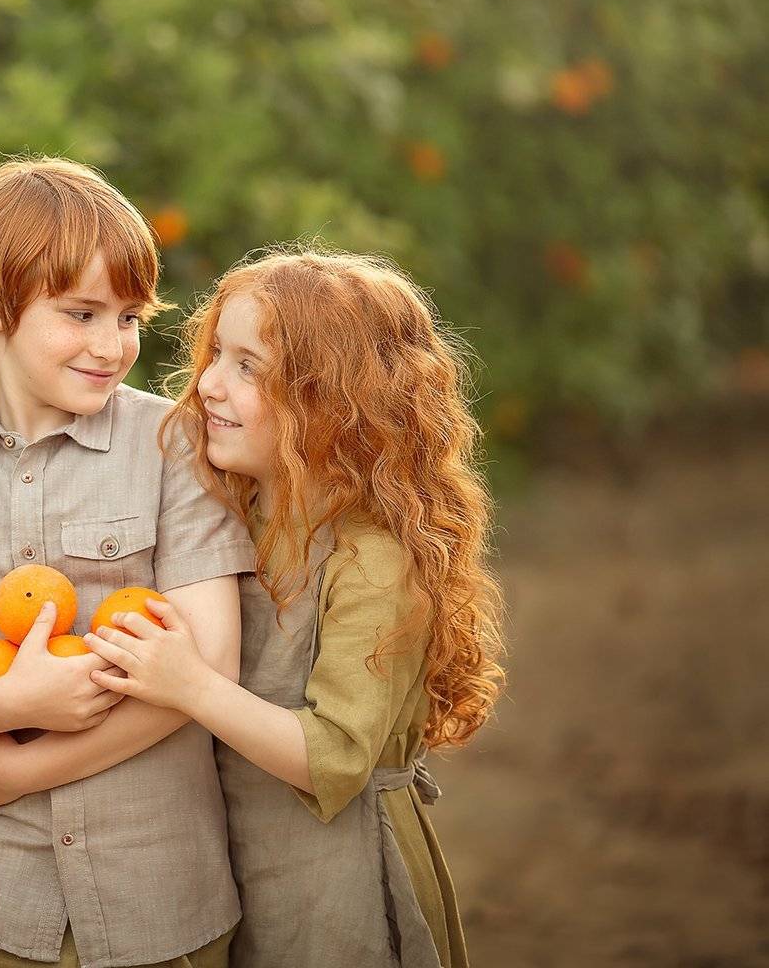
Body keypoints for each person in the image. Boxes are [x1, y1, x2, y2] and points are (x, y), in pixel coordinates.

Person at [0, 156, 257, 968]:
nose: (113, 346)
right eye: (81, 314)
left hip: (160, 901)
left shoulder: (174, 447)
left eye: (129, 318)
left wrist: (30, 764)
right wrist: (15, 697)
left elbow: (209, 668)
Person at [71, 248, 506, 966]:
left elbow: (334, 757)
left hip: (336, 881)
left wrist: (190, 685)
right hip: (231, 866)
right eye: (216, 354)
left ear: (332, 402)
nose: (208, 383)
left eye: (249, 368)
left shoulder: (373, 557)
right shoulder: (227, 513)